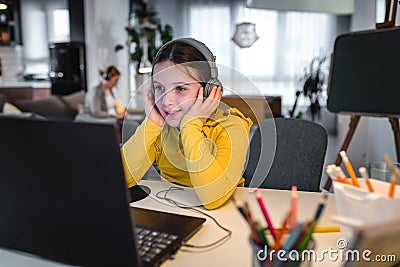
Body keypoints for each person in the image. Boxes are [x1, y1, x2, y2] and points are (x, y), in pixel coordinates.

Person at [121, 38, 253, 209]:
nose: (166, 101)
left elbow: (213, 199)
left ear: (208, 90)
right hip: (171, 209)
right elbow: (122, 179)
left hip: (223, 218)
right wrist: (152, 123)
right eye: (159, 87)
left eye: (180, 89)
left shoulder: (231, 126)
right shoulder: (162, 125)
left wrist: (191, 125)